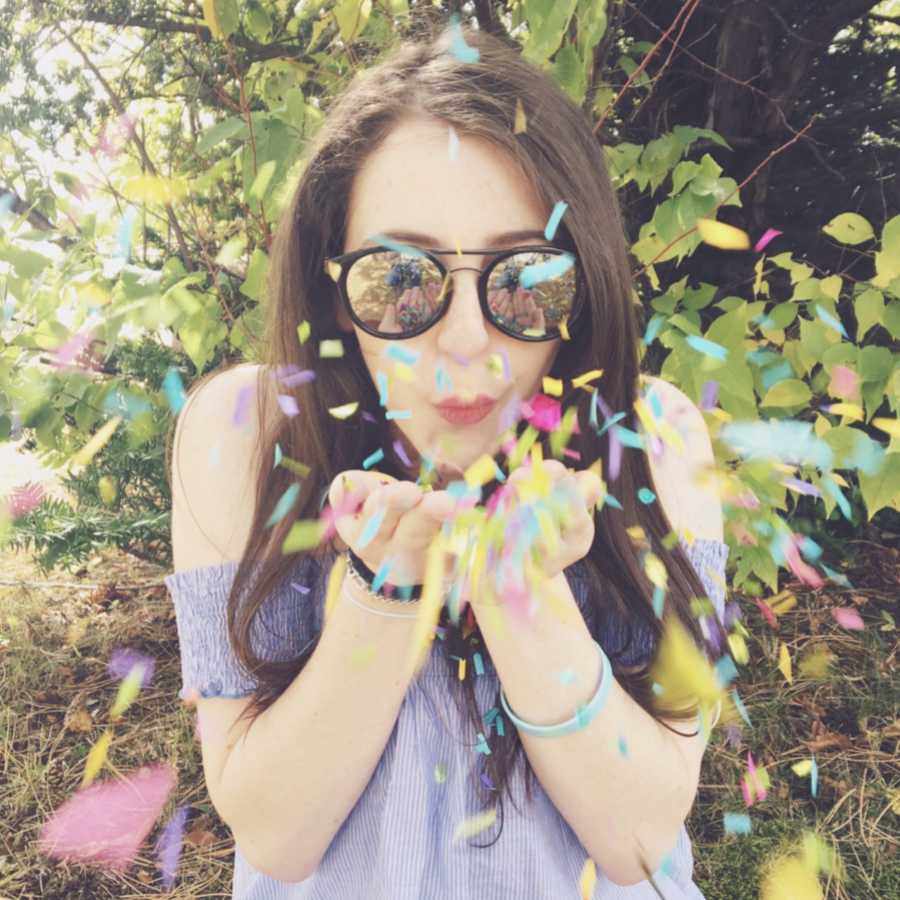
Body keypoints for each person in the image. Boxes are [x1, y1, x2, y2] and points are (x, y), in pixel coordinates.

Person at [165, 19, 731, 900]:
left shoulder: (654, 439)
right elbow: (277, 835)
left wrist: (522, 594)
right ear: (331, 288)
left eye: (527, 277)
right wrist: (390, 589)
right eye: (400, 278)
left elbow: (640, 841)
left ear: (584, 285)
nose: (467, 343)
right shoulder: (244, 433)